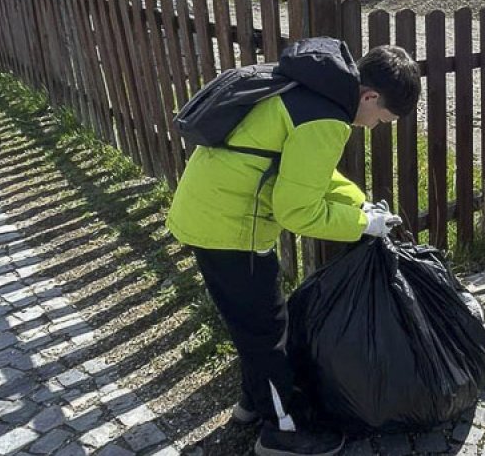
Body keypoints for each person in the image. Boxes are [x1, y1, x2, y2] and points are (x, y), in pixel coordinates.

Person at [167, 37, 421, 456]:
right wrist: (363, 223)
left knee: (256, 324)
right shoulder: (326, 119)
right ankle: (280, 430)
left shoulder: (314, 89)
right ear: (370, 95)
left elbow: (304, 173)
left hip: (213, 207)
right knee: (266, 332)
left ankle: (253, 403)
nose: (374, 126)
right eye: (382, 118)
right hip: (230, 227)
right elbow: (298, 212)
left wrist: (357, 201)